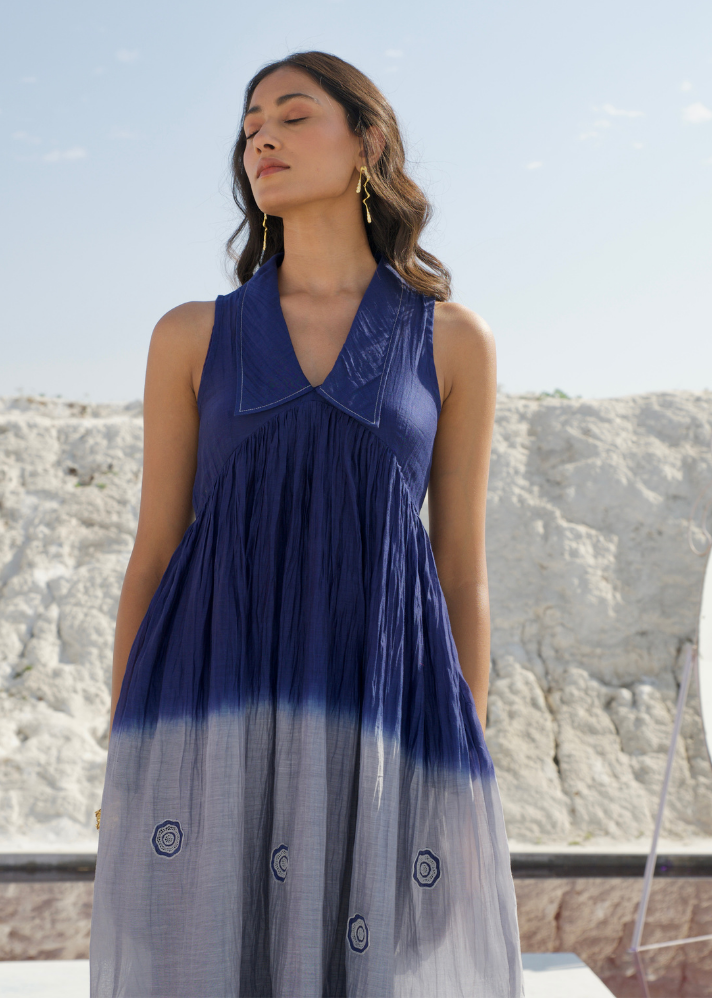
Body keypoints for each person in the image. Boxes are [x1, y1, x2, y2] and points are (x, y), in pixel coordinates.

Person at [89, 50, 523, 998]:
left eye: (292, 116)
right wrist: (127, 752)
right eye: (250, 128)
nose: (262, 140)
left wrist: (464, 768)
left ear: (367, 143)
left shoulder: (452, 340)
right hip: (216, 702)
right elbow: (154, 552)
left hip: (378, 705)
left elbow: (461, 571)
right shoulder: (190, 335)